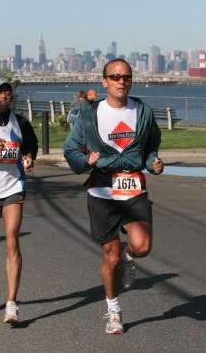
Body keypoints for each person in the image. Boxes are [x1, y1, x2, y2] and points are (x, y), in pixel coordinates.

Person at [64, 59, 163, 334]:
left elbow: (153, 141)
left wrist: (154, 160)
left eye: (126, 77)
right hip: (102, 189)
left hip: (132, 187)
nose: (121, 81)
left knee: (142, 246)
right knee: (110, 258)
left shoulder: (142, 111)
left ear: (131, 81)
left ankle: (128, 257)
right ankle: (113, 309)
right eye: (115, 76)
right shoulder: (89, 114)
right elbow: (71, 149)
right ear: (104, 81)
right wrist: (87, 159)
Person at [0, 78, 38, 324]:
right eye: (0, 91)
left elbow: (31, 145)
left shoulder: (19, 122)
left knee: (12, 240)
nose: (5, 95)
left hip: (13, 187)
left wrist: (29, 157)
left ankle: (11, 304)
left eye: (8, 91)